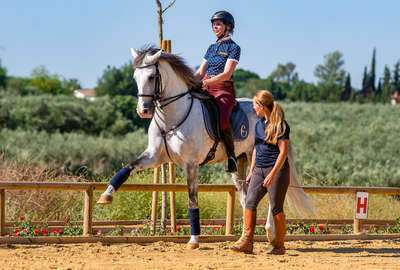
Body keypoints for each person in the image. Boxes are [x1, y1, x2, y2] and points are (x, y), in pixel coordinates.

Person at [231, 90, 290, 255]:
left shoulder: (281, 125)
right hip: (259, 170)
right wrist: (251, 171)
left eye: (255, 105)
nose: (253, 108)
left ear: (262, 106)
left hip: (277, 170)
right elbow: (256, 149)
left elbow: (284, 152)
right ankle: (247, 242)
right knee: (250, 202)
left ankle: (279, 246)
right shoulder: (258, 125)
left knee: (277, 208)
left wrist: (273, 174)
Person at [194, 10, 241, 172]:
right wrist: (188, 81)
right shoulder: (211, 48)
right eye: (214, 24)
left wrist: (206, 82)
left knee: (222, 117)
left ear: (228, 27)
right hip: (205, 85)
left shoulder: (234, 48)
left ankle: (231, 155)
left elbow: (227, 74)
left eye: (219, 24)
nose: (215, 27)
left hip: (223, 88)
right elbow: (200, 72)